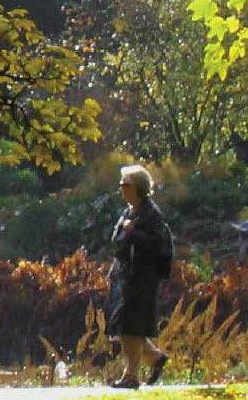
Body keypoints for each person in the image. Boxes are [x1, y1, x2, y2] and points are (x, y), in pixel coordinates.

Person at [106, 164, 169, 389]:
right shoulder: (128, 212)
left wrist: (134, 232)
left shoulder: (151, 213)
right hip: (125, 276)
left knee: (131, 327)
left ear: (138, 188)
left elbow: (157, 243)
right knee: (126, 327)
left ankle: (130, 376)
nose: (121, 188)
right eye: (121, 184)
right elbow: (117, 243)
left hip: (142, 279)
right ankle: (154, 358)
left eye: (126, 185)